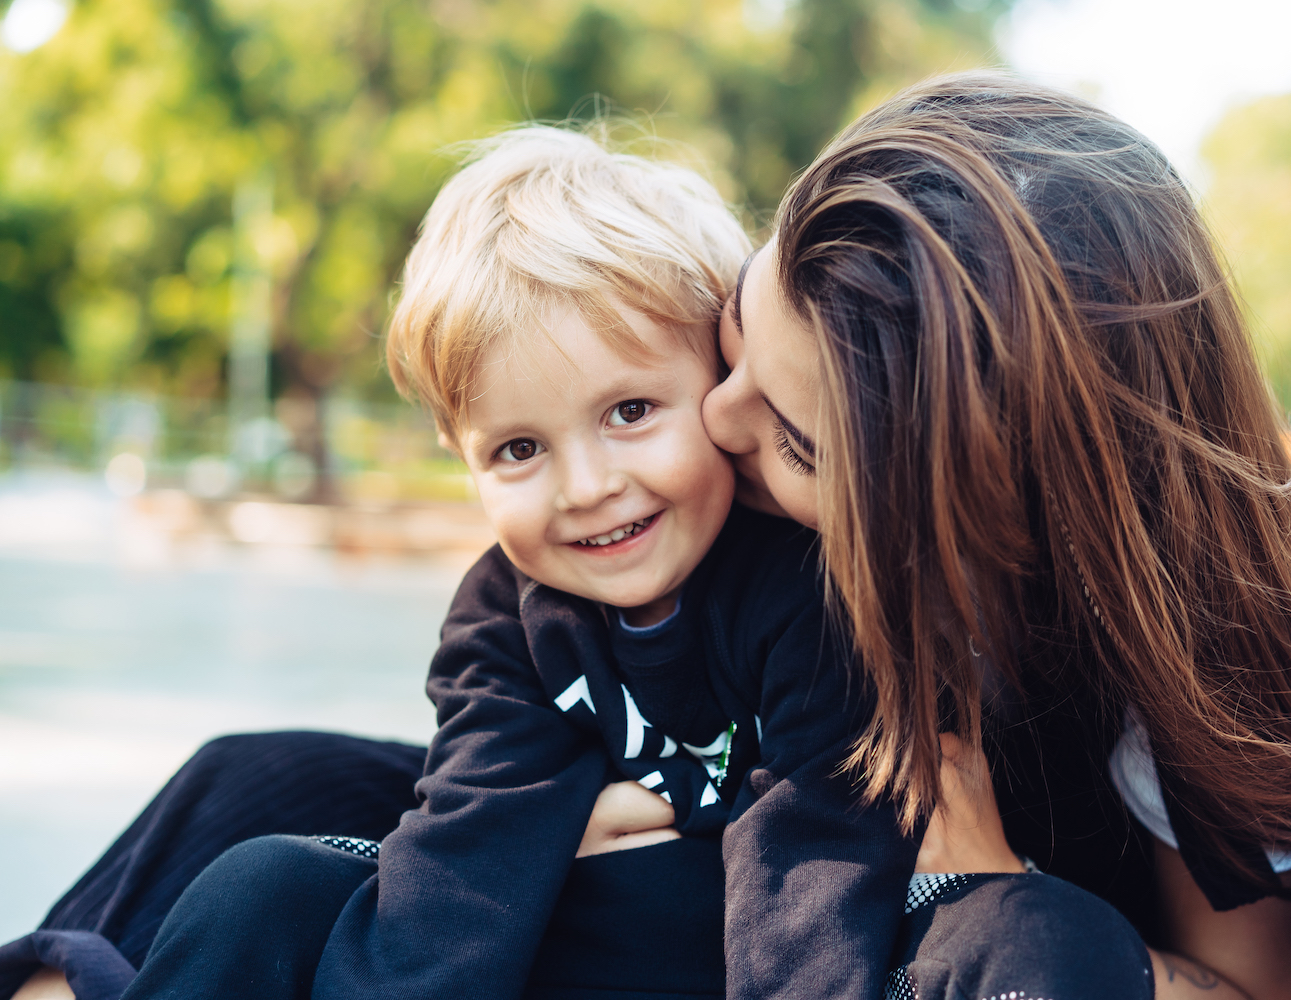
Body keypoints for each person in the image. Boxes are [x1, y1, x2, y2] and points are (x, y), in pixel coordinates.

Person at [2, 123, 1153, 1000]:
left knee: (1057, 941)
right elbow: (470, 834)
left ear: (716, 369)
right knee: (263, 876)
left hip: (814, 944)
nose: (588, 485)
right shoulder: (507, 615)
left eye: (630, 411)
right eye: (519, 447)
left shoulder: (797, 582)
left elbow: (818, 844)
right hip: (601, 926)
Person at [698, 70, 1291, 1000]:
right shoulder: (689, 500)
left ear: (982, 503)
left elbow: (1245, 987)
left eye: (798, 444)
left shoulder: (1190, 681)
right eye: (734, 330)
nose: (716, 418)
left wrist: (1011, 899)